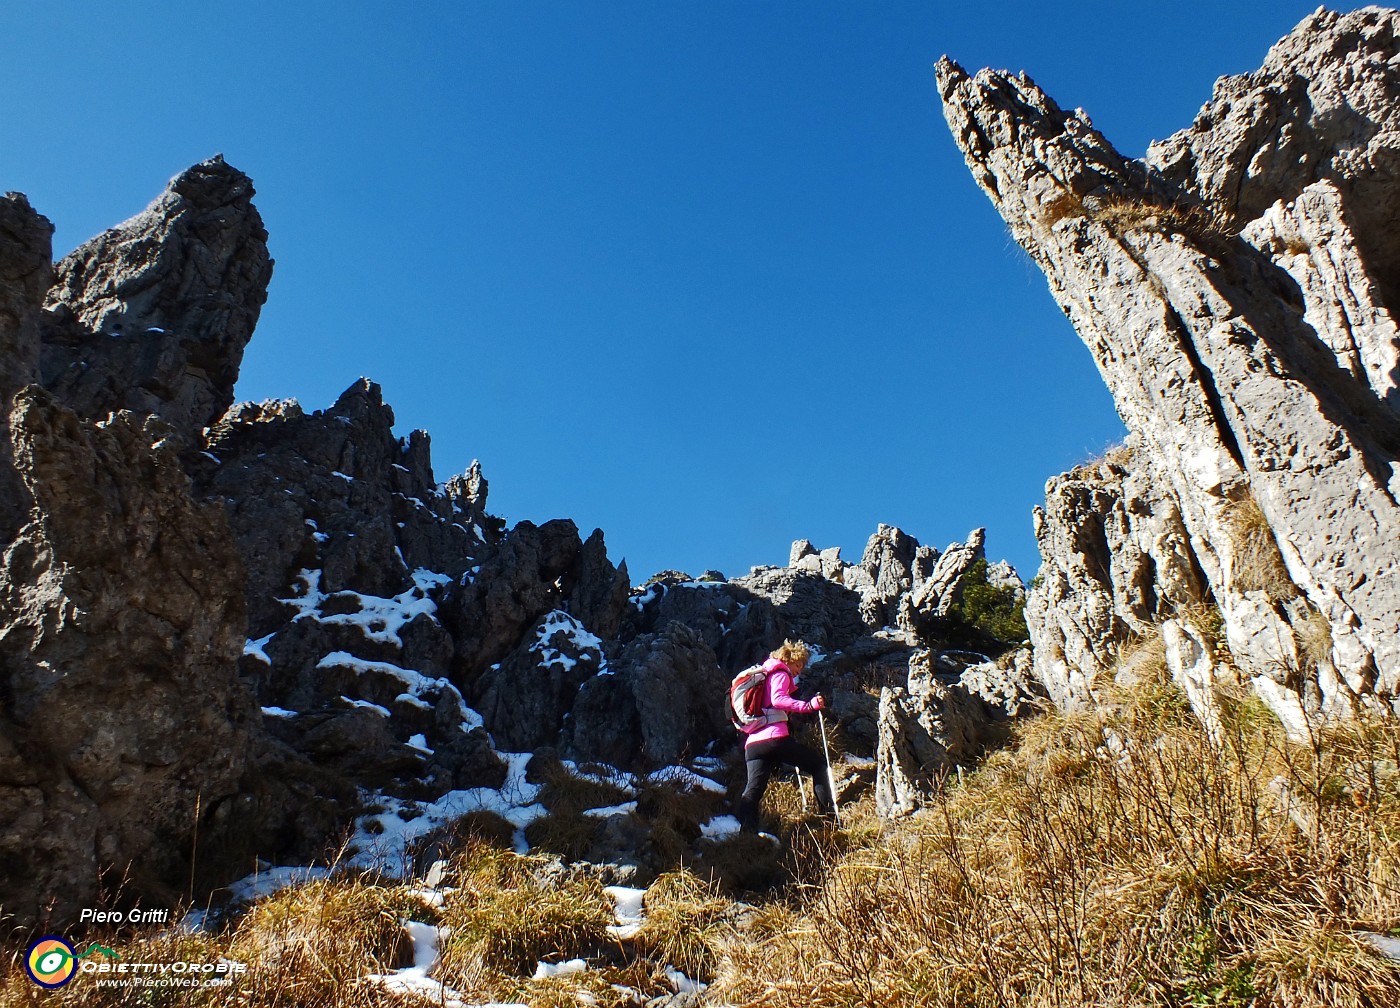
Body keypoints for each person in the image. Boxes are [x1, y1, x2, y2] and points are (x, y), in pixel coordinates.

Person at [735, 639, 835, 833]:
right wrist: (808, 706)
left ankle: (746, 836)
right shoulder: (780, 672)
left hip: (754, 744)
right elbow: (778, 700)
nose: (800, 670)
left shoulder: (764, 676)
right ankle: (829, 820)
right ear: (789, 658)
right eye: (799, 664)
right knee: (818, 766)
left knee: (753, 791)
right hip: (775, 738)